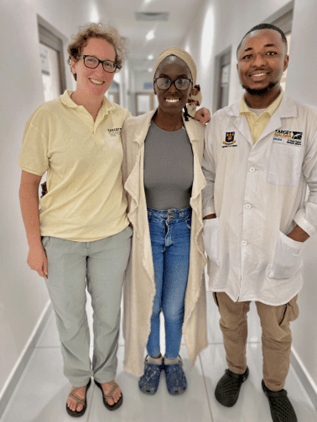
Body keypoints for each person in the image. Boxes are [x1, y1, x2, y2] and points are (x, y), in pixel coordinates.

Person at [202, 23, 317, 422]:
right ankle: (236, 370)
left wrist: (293, 239)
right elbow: (207, 179)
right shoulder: (219, 122)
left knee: (277, 331)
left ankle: (275, 386)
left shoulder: (306, 121)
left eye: (269, 52)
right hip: (228, 249)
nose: (258, 62)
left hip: (277, 253)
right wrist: (212, 223)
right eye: (248, 55)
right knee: (231, 322)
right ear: (237, 67)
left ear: (286, 60)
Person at [19, 23, 132, 417]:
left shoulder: (123, 117)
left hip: (113, 236)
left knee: (107, 315)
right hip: (61, 239)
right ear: (73, 61)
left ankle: (105, 374)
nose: (100, 72)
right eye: (91, 61)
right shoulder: (47, 117)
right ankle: (78, 379)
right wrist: (35, 246)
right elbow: (28, 185)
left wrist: (195, 114)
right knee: (70, 318)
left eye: (109, 64)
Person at [122, 47, 208, 396]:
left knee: (174, 305)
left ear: (191, 87)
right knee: (149, 301)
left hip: (184, 230)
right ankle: (152, 357)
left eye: (181, 81)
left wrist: (200, 111)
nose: (172, 89)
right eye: (164, 80)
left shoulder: (201, 132)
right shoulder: (133, 129)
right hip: (148, 228)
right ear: (154, 84)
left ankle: (172, 360)